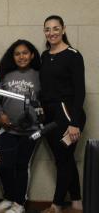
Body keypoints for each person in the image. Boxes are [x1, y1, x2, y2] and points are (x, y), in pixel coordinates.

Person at [39, 15, 85, 213]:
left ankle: (56, 205)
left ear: (63, 29)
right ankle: (76, 202)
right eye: (48, 29)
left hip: (67, 114)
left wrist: (74, 123)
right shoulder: (44, 56)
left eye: (56, 28)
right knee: (63, 159)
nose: (52, 33)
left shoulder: (74, 55)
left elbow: (80, 91)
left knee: (64, 159)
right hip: (49, 116)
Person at [0, 40, 41, 213]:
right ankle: (9, 198)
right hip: (7, 129)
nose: (21, 56)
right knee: (5, 165)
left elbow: (46, 101)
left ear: (32, 55)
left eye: (25, 53)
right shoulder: (5, 74)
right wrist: (0, 115)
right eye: (17, 53)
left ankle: (19, 204)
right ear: (12, 56)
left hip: (31, 131)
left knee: (21, 166)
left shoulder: (38, 75)